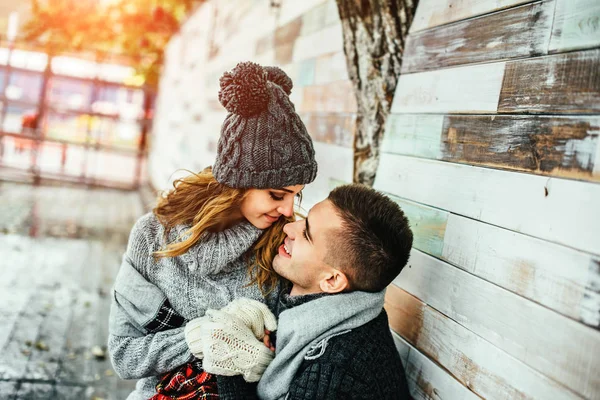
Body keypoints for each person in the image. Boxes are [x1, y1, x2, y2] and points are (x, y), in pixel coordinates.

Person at [107, 61, 318, 400]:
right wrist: (198, 337)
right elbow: (124, 356)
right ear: (238, 184)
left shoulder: (284, 245)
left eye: (296, 195)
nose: (288, 211)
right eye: (277, 195)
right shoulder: (153, 237)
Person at [192, 183, 414, 399]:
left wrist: (232, 364)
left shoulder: (334, 372)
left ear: (332, 279)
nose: (288, 227)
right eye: (305, 220)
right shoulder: (344, 307)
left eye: (307, 235)